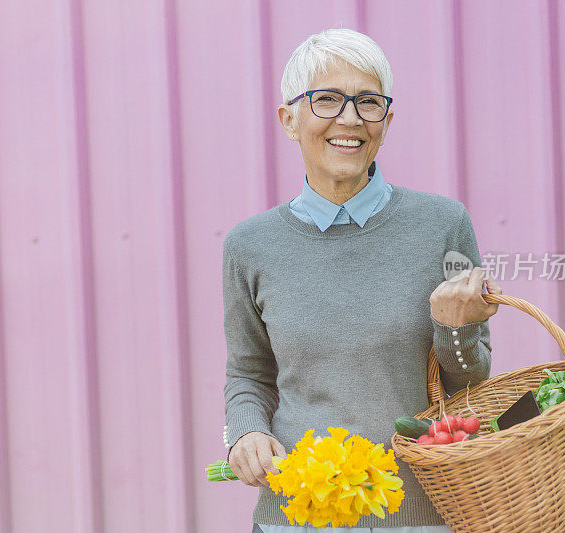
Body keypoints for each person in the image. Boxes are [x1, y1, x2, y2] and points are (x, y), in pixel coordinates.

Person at [222, 28, 502, 532]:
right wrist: (244, 434)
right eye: (326, 99)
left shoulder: (444, 225)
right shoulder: (249, 246)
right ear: (289, 118)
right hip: (298, 515)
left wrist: (455, 328)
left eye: (368, 102)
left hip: (422, 515)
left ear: (386, 122)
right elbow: (249, 374)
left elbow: (469, 382)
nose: (349, 119)